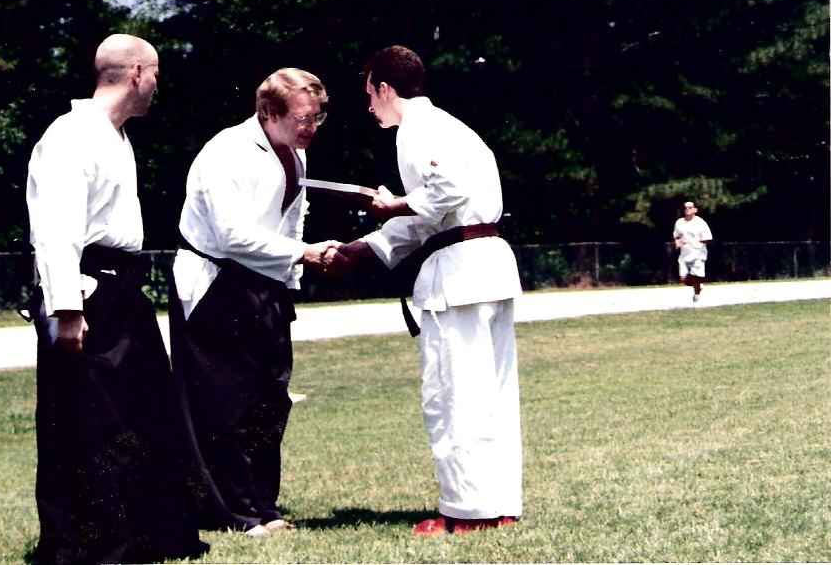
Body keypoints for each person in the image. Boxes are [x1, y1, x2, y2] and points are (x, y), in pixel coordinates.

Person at [25, 34, 207, 564]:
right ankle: (88, 542)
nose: (156, 87)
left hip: (123, 288)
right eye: (154, 74)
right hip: (87, 291)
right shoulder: (70, 135)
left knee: (142, 414)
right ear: (133, 73)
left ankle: (147, 534)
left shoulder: (115, 136)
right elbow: (56, 230)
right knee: (88, 419)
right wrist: (67, 310)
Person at [331, 45, 523, 536]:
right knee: (488, 391)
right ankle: (495, 504)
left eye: (369, 94)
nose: (369, 106)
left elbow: (445, 192)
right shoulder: (449, 127)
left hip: (461, 272)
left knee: (453, 393)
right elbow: (427, 217)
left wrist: (392, 205)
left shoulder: (420, 129)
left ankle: (464, 510)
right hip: (483, 264)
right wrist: (363, 248)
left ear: (385, 87)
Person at [170, 68, 341, 537]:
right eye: (303, 118)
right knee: (227, 402)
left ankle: (264, 505)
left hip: (267, 284)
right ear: (269, 113)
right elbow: (231, 235)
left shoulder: (295, 156)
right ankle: (235, 512)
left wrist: (295, 274)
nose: (311, 128)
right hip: (216, 282)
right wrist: (302, 253)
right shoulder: (226, 152)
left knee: (270, 398)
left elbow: (290, 225)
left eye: (318, 118)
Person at [673, 200, 713, 303]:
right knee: (683, 279)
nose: (687, 209)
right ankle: (698, 286)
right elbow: (677, 236)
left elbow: (708, 238)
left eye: (690, 207)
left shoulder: (700, 223)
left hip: (698, 253)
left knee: (696, 275)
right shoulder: (680, 223)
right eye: (685, 207)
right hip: (685, 253)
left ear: (695, 209)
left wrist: (698, 241)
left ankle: (697, 293)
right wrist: (677, 242)